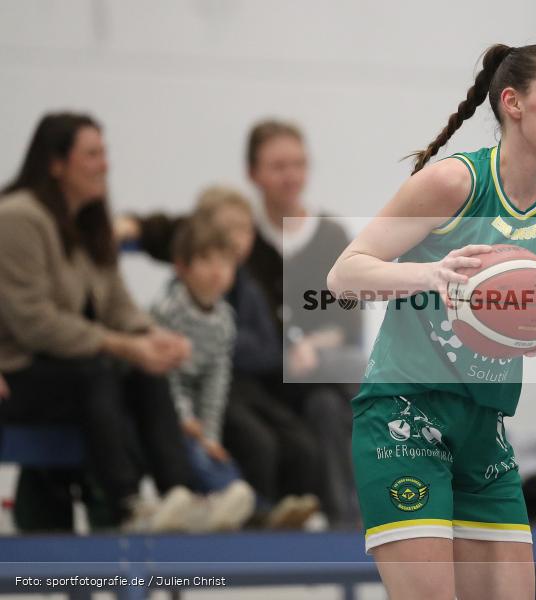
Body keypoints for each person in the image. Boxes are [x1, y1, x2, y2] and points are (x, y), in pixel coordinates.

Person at [327, 44, 536, 600]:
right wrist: (432, 276)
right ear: (514, 103)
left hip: (484, 425)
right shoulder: (454, 183)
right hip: (403, 417)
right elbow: (344, 274)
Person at [116, 120, 362, 527]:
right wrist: (133, 226)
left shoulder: (331, 235)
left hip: (306, 376)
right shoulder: (232, 234)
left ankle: (337, 518)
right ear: (254, 174)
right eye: (278, 165)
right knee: (257, 429)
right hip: (251, 377)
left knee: (325, 407)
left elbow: (348, 318)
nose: (291, 176)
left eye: (298, 164)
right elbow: (180, 234)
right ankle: (262, 509)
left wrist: (312, 346)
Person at [0, 112, 196, 531]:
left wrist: (153, 337)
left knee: (145, 372)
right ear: (56, 163)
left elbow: (119, 306)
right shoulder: (18, 217)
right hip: (20, 374)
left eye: (104, 153)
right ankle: (126, 504)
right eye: (92, 154)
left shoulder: (90, 223)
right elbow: (35, 323)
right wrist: (123, 345)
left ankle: (182, 497)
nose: (104, 164)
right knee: (100, 373)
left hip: (71, 370)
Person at [153, 189, 321, 529]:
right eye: (228, 228)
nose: (238, 239)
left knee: (300, 439)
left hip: (243, 385)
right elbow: (175, 368)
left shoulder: (245, 291)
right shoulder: (175, 302)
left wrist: (223, 346)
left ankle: (289, 510)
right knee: (258, 442)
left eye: (246, 229)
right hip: (199, 395)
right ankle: (255, 513)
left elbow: (268, 349)